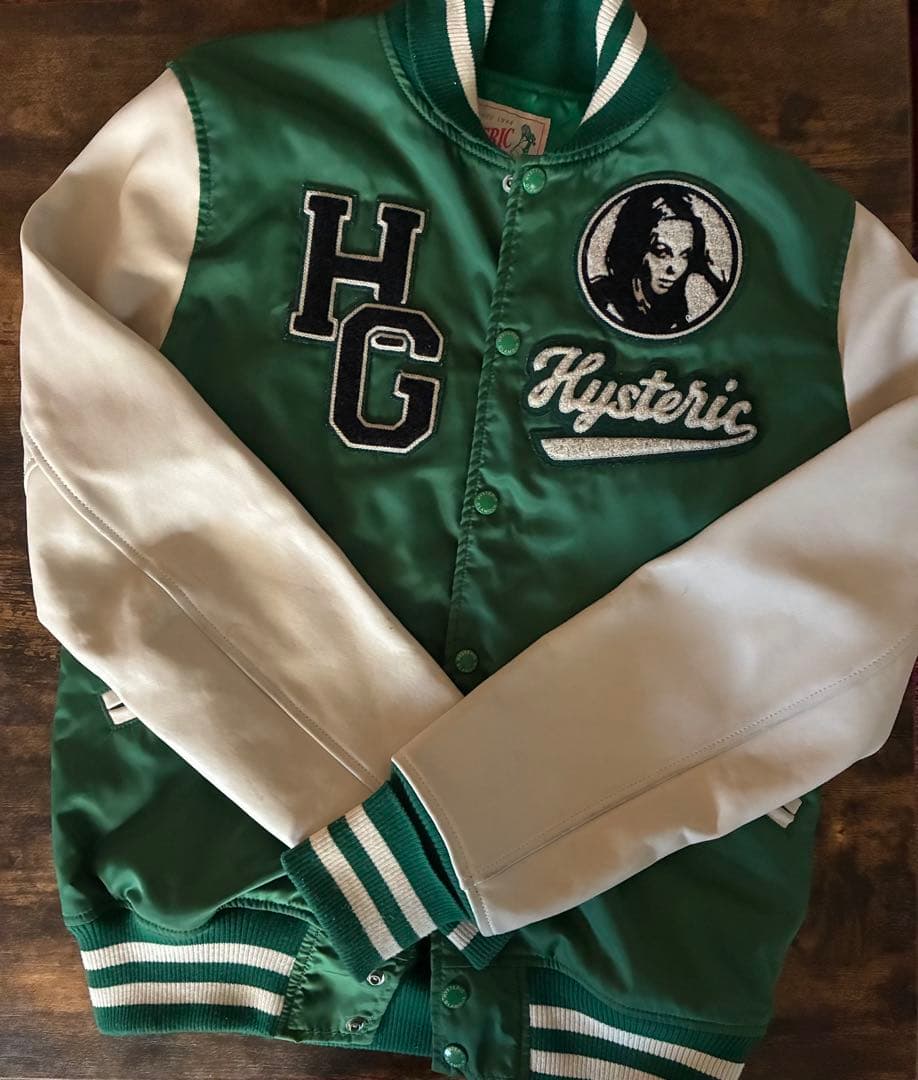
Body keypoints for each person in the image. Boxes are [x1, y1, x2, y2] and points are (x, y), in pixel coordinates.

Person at [587, 183, 729, 333]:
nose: (673, 268)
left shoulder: (685, 306)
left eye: (684, 255)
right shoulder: (602, 299)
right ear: (635, 249)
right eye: (662, 252)